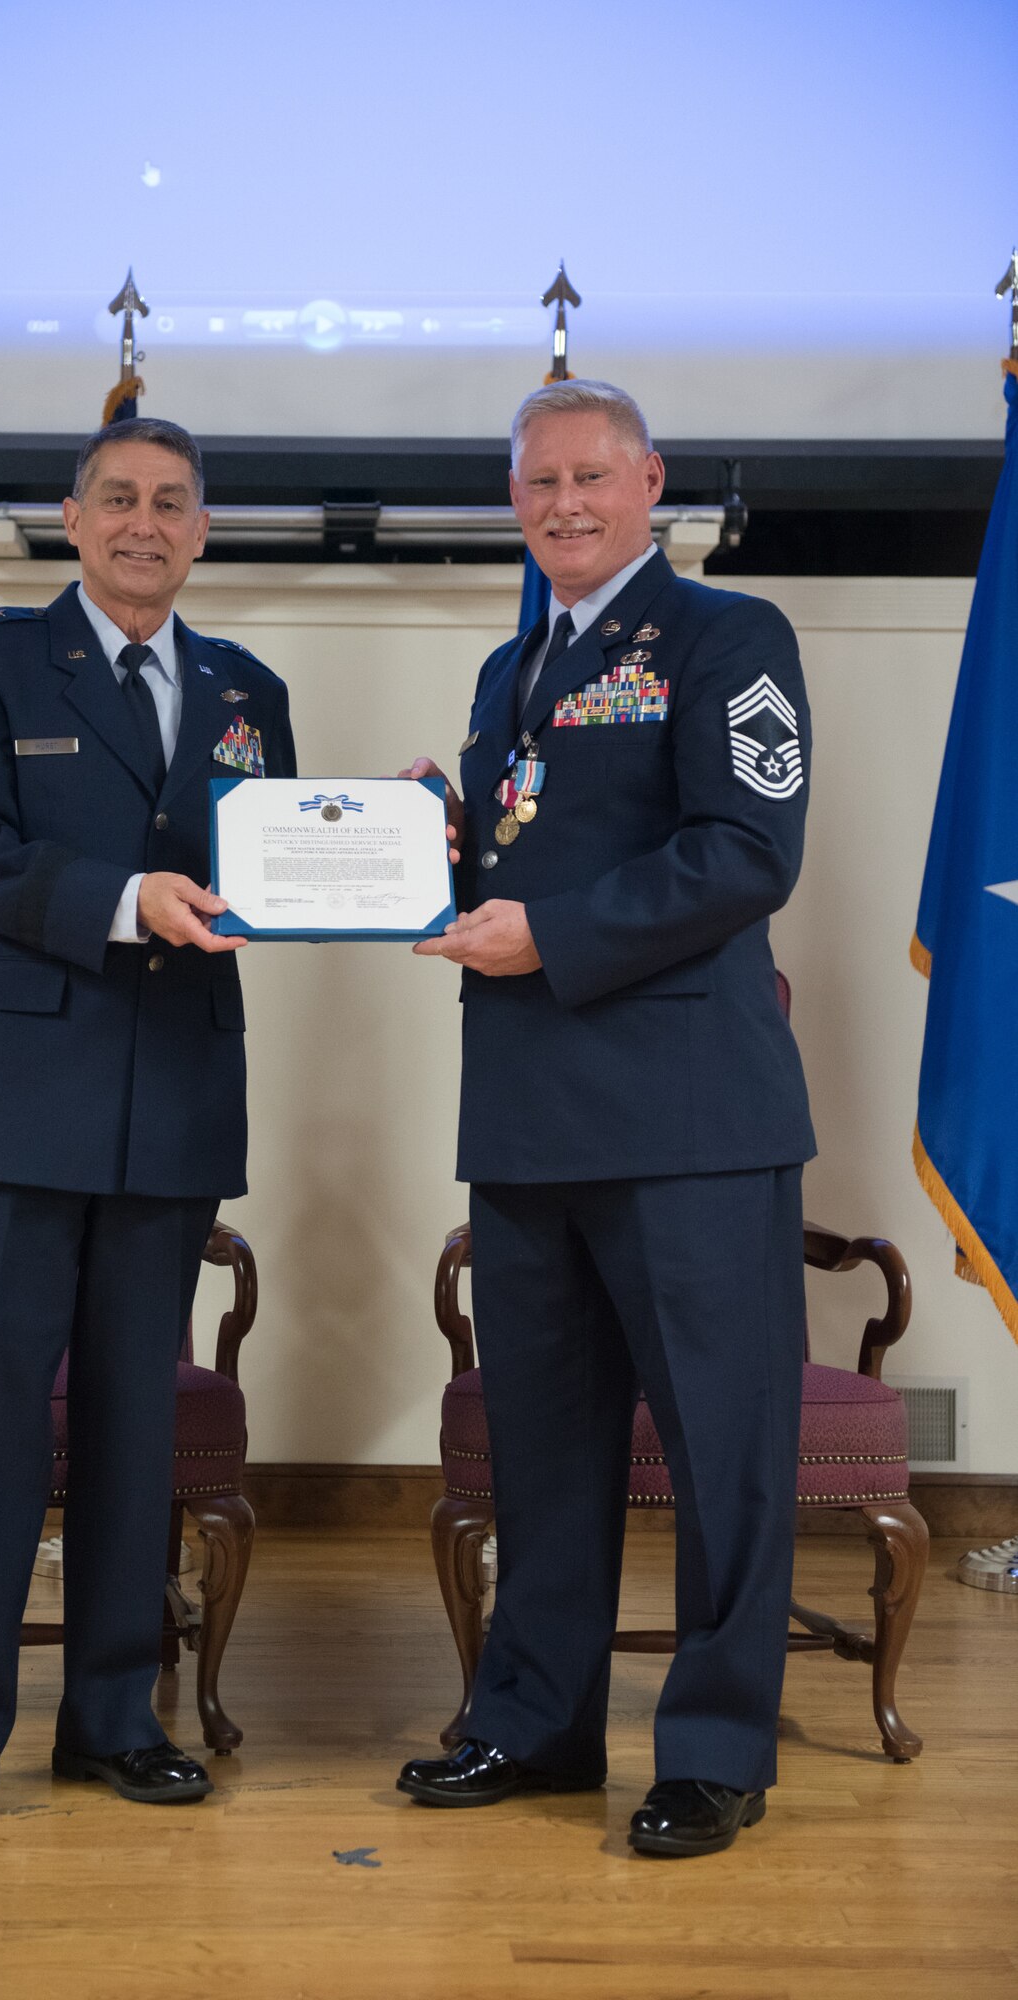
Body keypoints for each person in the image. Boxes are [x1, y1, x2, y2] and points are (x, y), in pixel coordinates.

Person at [396, 380, 814, 1857]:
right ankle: (535, 1721)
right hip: (528, 1119)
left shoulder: (729, 639)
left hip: (687, 1119)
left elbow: (744, 853)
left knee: (723, 1452)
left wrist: (548, 937)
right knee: (544, 1453)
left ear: (651, 482)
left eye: (591, 477)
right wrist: (414, 846)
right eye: (537, 485)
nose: (562, 505)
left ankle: (710, 1749)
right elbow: (524, 850)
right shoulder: (513, 666)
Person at [0, 417, 296, 1830]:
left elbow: (269, 866)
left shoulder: (249, 685)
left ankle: (115, 1719)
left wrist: (394, 844)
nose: (146, 522)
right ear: (72, 520)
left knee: (137, 1425)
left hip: (175, 1097)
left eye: (173, 503)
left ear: (203, 531)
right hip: (18, 1107)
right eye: (119, 498)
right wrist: (131, 902)